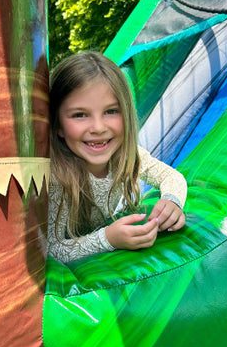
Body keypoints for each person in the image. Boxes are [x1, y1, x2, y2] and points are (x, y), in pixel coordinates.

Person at [48, 51, 187, 263]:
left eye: (111, 111)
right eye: (79, 115)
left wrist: (171, 201)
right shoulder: (57, 177)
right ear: (58, 125)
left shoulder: (126, 155)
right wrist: (108, 239)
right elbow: (50, 249)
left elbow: (171, 177)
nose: (98, 127)